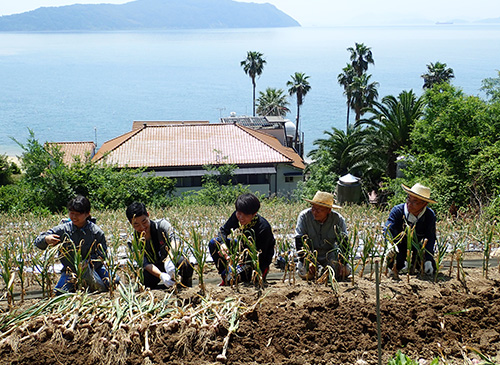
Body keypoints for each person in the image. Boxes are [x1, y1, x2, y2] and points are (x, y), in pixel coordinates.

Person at [34, 195, 111, 294]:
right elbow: (37, 241)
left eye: (78, 214)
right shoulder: (63, 230)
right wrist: (46, 239)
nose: (74, 217)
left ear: (87, 214)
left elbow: (102, 255)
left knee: (113, 282)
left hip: (93, 269)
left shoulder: (96, 232)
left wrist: (89, 263)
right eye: (72, 213)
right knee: (60, 292)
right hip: (70, 271)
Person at [209, 193, 275, 286]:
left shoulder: (263, 228)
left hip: (257, 261)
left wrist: (238, 259)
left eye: (245, 215)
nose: (241, 218)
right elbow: (223, 230)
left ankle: (236, 276)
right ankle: (226, 276)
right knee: (214, 243)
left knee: (244, 278)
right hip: (242, 251)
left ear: (254, 214)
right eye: (239, 213)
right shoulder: (237, 216)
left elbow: (261, 255)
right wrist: (222, 244)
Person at [126, 202, 193, 289]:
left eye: (144, 221)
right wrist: (160, 275)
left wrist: (169, 259)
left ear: (148, 215)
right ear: (130, 223)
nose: (142, 227)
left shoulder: (162, 225)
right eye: (136, 225)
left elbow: (176, 239)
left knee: (185, 263)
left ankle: (185, 286)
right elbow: (144, 263)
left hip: (170, 261)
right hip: (153, 267)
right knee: (144, 279)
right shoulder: (133, 241)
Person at [295, 191, 349, 281]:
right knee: (305, 274)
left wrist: (342, 262)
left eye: (319, 210)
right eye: (313, 208)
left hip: (330, 254)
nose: (315, 212)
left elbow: (344, 242)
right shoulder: (304, 217)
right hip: (311, 254)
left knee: (344, 272)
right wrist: (307, 261)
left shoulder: (338, 219)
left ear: (328, 210)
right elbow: (299, 240)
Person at [385, 183, 437, 276]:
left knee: (428, 268)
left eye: (415, 202)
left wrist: (428, 259)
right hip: (399, 248)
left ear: (424, 204)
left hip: (419, 249)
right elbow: (388, 230)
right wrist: (390, 244)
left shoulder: (429, 215)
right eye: (408, 199)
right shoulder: (397, 211)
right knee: (397, 264)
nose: (409, 204)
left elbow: (430, 237)